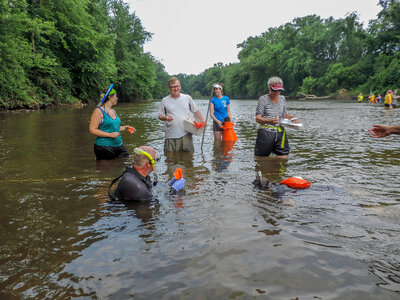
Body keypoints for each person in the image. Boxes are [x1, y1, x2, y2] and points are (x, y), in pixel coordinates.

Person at [254, 76, 299, 158]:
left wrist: (293, 118)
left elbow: (284, 114)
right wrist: (270, 121)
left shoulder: (282, 99)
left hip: (280, 133)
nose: (277, 93)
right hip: (266, 133)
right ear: (269, 88)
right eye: (274, 90)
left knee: (283, 157)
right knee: (262, 159)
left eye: (279, 90)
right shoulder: (263, 99)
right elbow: (258, 118)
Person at [158, 77, 205, 152]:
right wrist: (165, 118)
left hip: (186, 133)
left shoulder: (187, 98)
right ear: (169, 88)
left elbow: (196, 111)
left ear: (180, 86)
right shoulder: (165, 100)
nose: (175, 89)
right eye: (173, 87)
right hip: (171, 135)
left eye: (177, 86)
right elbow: (160, 116)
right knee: (170, 158)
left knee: (188, 159)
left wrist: (203, 122)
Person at [89, 86, 135, 160]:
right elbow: (92, 129)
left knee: (125, 161)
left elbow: (114, 128)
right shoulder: (98, 111)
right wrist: (110, 135)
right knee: (107, 169)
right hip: (104, 147)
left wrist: (126, 128)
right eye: (116, 96)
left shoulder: (113, 111)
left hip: (118, 145)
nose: (117, 98)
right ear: (110, 97)